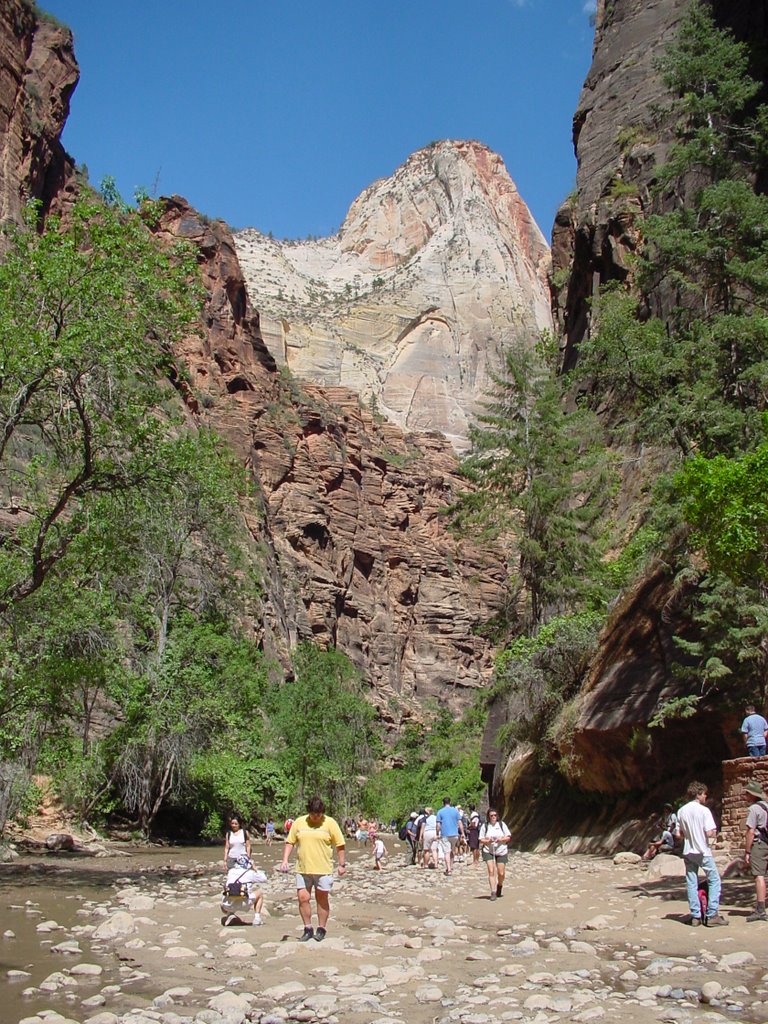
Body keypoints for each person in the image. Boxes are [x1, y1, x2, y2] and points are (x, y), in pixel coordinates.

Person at [279, 795, 347, 942]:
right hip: (302, 869)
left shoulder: (330, 823)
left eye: (319, 814)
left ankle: (321, 929)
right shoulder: (299, 822)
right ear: (308, 811)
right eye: (313, 814)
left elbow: (340, 844)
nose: (316, 817)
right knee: (303, 898)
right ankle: (308, 928)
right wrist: (284, 860)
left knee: (321, 899)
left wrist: (342, 865)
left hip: (323, 869)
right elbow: (290, 842)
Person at [676, 781, 728, 926]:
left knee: (691, 882)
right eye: (705, 794)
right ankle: (712, 914)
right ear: (699, 794)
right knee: (714, 880)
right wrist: (713, 833)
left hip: (688, 850)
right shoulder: (704, 811)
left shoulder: (681, 811)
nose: (706, 796)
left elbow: (679, 834)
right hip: (703, 851)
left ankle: (695, 916)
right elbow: (709, 832)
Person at [744, 779, 768, 921]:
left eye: (747, 793)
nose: (745, 796)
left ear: (753, 795)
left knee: (759, 876)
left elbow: (750, 831)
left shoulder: (754, 809)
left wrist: (747, 851)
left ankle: (760, 910)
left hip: (759, 844)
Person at [222, 854, 266, 925]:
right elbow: (264, 879)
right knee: (260, 893)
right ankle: (257, 919)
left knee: (229, 893)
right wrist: (255, 868)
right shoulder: (250, 873)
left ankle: (230, 914)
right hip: (244, 903)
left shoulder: (231, 871)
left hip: (228, 905)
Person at [479, 808, 511, 900]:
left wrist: (500, 839)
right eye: (491, 815)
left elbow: (508, 837)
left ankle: (499, 886)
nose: (493, 817)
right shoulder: (485, 826)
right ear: (488, 817)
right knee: (491, 871)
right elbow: (481, 839)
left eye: (495, 815)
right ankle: (493, 892)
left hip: (501, 850)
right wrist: (487, 841)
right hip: (488, 850)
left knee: (501, 873)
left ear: (497, 816)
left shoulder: (502, 824)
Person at [436, 796, 464, 876]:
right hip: (455, 834)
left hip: (445, 834)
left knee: (446, 852)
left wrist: (437, 833)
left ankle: (448, 869)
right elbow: (460, 823)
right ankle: (451, 866)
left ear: (443, 803)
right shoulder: (455, 811)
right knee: (452, 851)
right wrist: (462, 833)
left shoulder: (440, 812)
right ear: (450, 802)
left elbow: (438, 825)